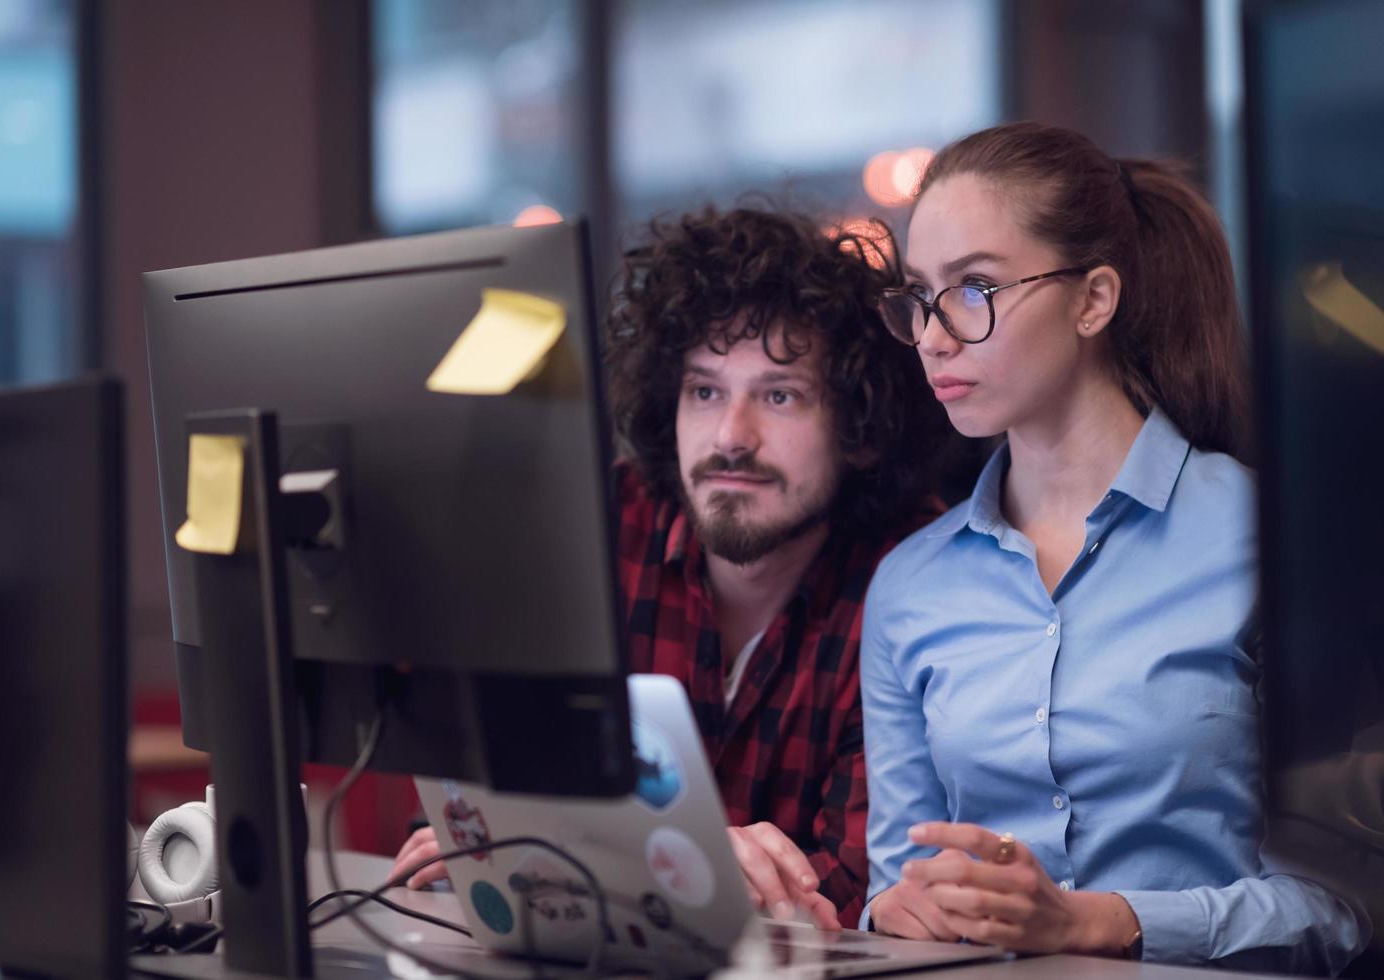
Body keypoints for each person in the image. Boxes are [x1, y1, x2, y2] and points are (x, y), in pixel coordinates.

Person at [859, 121, 1368, 973]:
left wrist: (1099, 922)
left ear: (1094, 299)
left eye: (975, 287)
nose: (936, 336)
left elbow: (1345, 907)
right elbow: (894, 882)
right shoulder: (911, 586)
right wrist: (895, 913)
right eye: (920, 296)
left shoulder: (1267, 541)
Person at [394, 205, 948, 929]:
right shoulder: (594, 528)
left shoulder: (916, 578)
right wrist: (682, 866)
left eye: (779, 396)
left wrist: (568, 857)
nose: (730, 437)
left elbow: (851, 895)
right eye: (705, 390)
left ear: (863, 431)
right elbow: (466, 816)